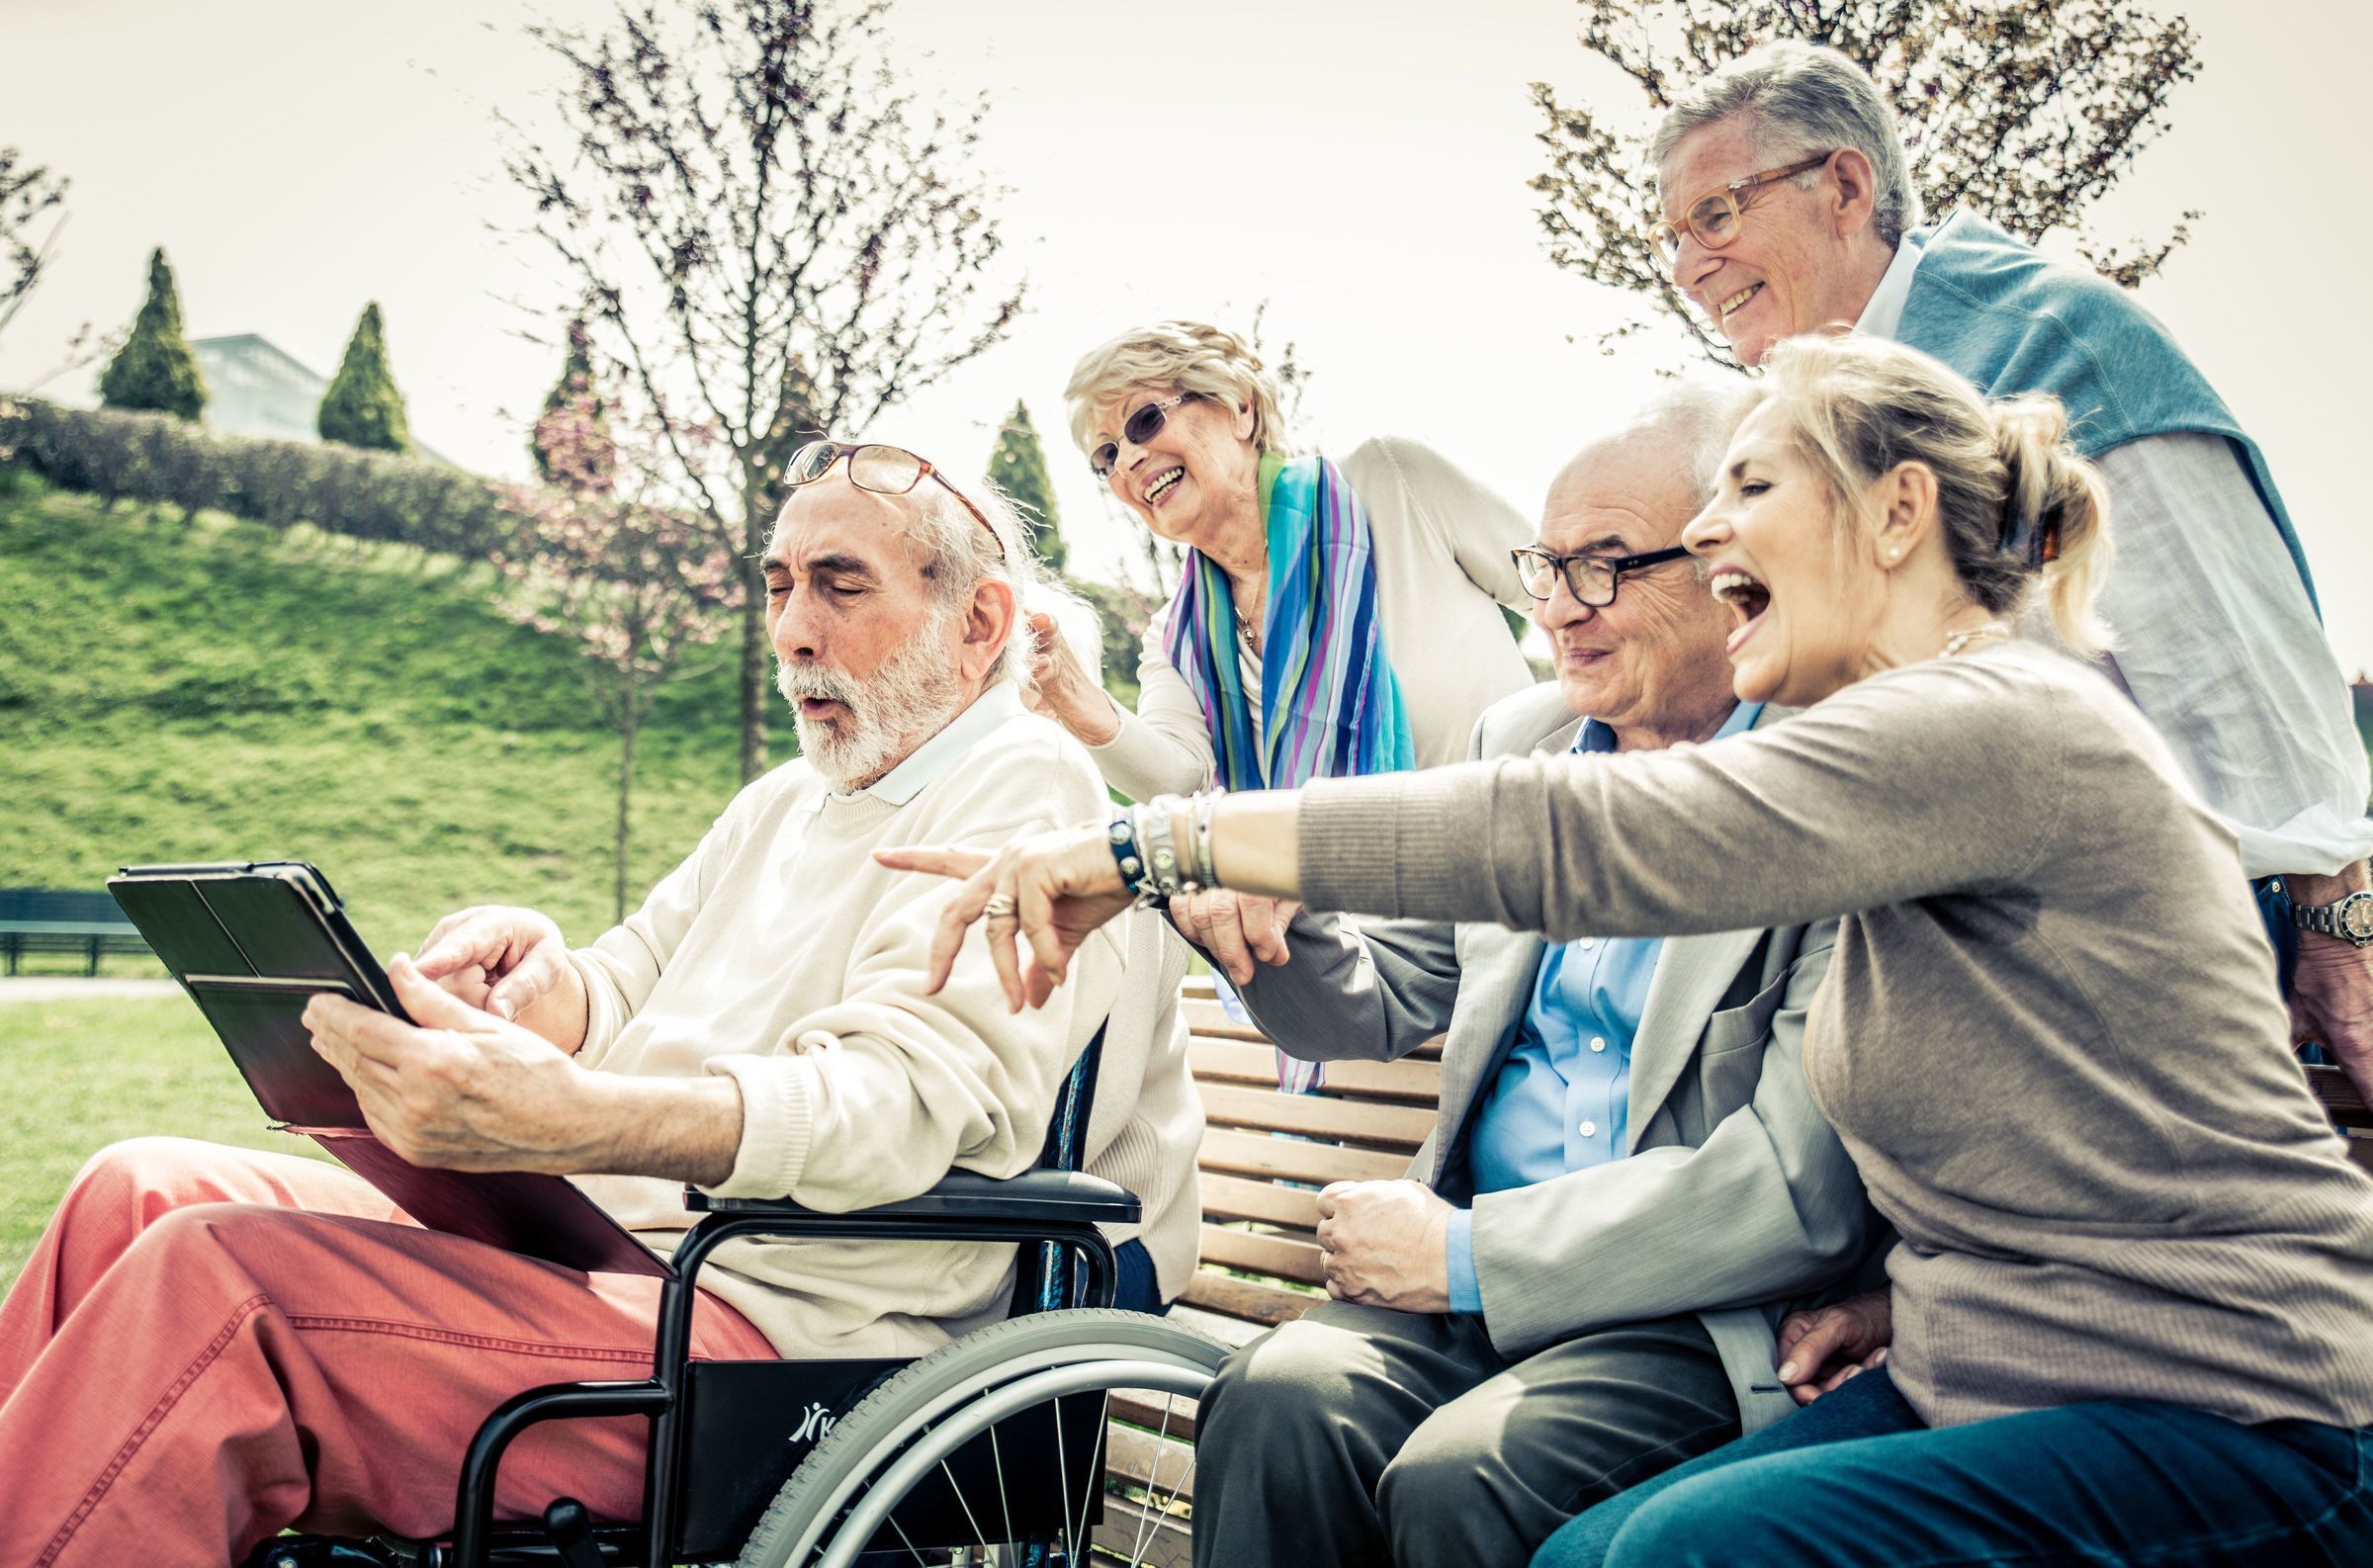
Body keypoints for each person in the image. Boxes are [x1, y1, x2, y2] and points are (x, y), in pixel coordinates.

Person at [881, 334, 2373, 1568]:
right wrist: (1907, 1283)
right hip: (1983, 1365)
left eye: (1750, 487)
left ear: (1897, 511)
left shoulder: (1985, 721)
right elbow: (2024, 1119)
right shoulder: (1898, 750)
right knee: (1311, 1411)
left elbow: (1587, 842)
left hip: (2236, 1404)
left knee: (1618, 1554)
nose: (1715, 533)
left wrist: (1154, 842)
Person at [0, 440, 1201, 1565]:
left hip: (776, 1331)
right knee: (136, 1183)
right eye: (779, 583)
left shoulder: (1028, 791)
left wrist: (576, 1120)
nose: (789, 630)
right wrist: (541, 984)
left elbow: (894, 1101)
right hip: (611, 1255)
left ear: (979, 620)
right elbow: (626, 979)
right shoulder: (784, 802)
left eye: (840, 586)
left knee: (215, 1281)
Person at [1161, 383, 1873, 1568]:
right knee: (1280, 1396)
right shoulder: (1523, 741)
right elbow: (1387, 992)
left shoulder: (1823, 783)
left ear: (1728, 564)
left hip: (1680, 1315)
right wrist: (1271, 933)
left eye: (1606, 566)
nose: (1558, 611)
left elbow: (1798, 1183)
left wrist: (1463, 1254)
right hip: (1462, 1290)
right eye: (1546, 567)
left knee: (1465, 1477)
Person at [1643, 40, 2373, 1099]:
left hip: (2131, 995)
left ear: (1845, 186)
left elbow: (2236, 663)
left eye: (1715, 213)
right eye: (1672, 236)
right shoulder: (1810, 414)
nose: (1687, 266)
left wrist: (2335, 918)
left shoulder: (2062, 343)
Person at [1027, 319, 1536, 800]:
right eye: (1106, 457)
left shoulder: (1391, 483)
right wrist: (1067, 686)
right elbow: (1182, 780)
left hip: (1532, 852)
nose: (1129, 461)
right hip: (1356, 891)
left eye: (1145, 421)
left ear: (1240, 409)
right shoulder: (1175, 636)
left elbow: (1570, 590)